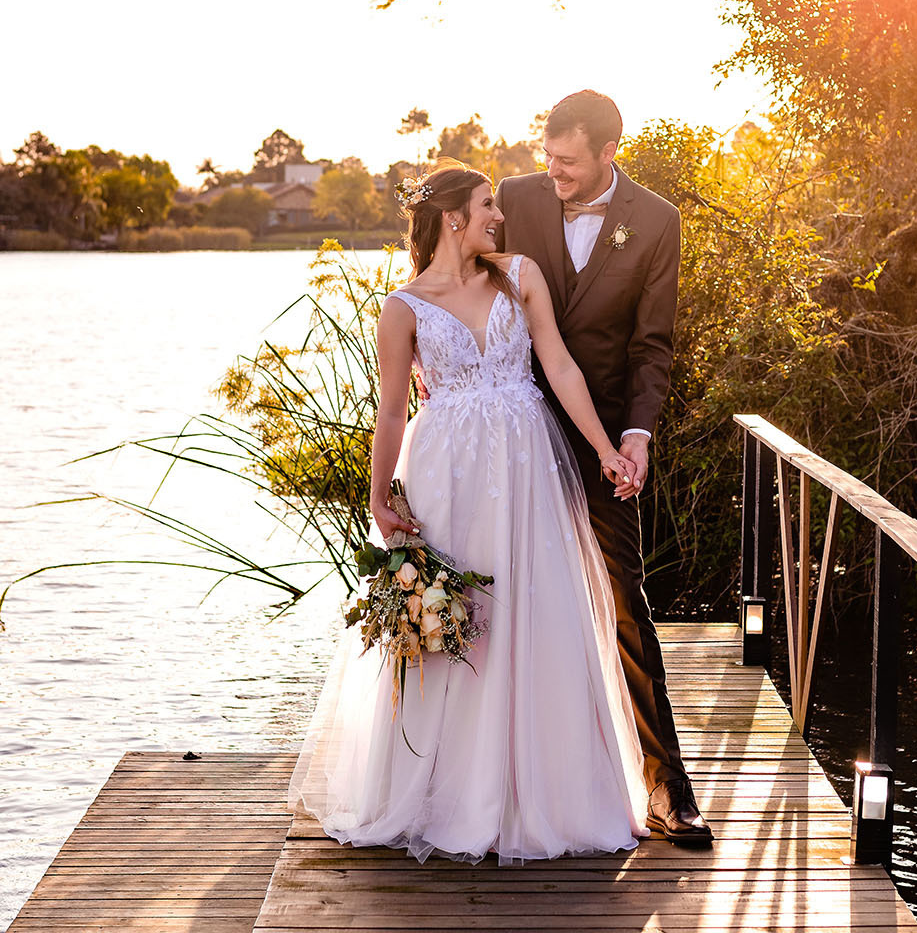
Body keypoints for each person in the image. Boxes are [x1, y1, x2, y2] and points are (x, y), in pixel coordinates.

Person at [287, 162, 650, 864]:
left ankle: (548, 793)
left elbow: (562, 367)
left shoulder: (520, 275)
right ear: (454, 217)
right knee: (462, 625)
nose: (499, 216)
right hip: (446, 474)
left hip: (526, 467)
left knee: (536, 615)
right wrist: (378, 497)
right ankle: (449, 793)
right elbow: (391, 410)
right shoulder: (402, 308)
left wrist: (606, 449)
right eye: (487, 205)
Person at [495, 90, 711, 843]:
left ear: (609, 152)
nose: (552, 172)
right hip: (510, 430)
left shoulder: (656, 221)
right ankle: (493, 785)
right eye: (547, 158)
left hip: (605, 444)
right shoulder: (516, 197)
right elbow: (451, 269)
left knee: (626, 596)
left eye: (568, 163)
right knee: (497, 591)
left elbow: (653, 344)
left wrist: (637, 436)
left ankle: (666, 788)